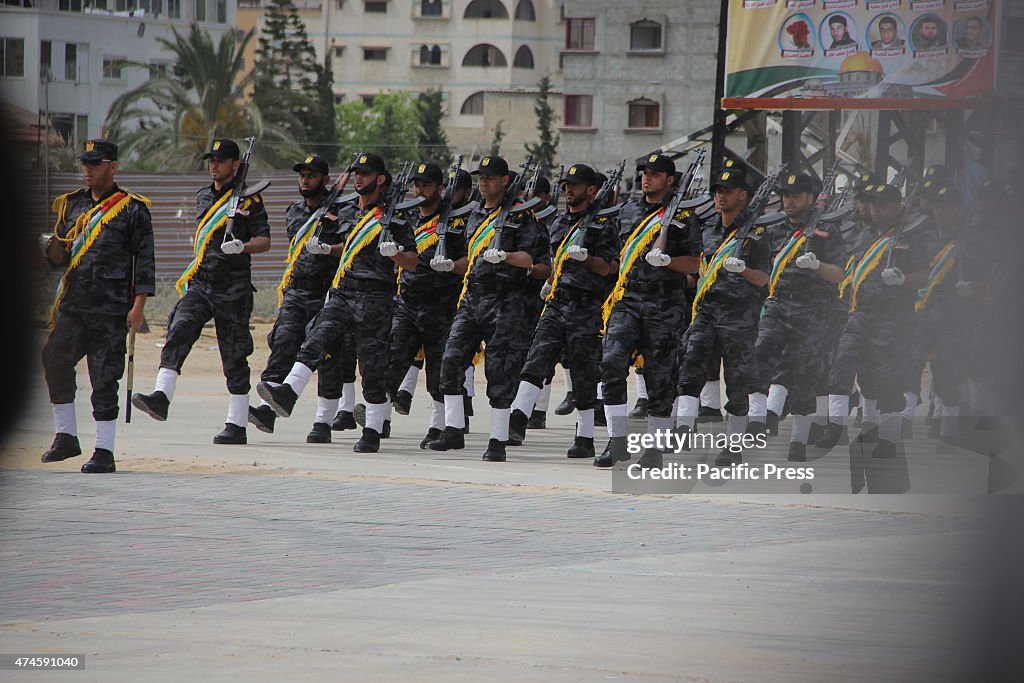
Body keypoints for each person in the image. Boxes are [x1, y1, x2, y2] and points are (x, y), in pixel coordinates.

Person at [256, 153, 417, 453]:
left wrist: (394, 253)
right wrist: (329, 249)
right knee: (316, 338)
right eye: (356, 173)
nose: (359, 178)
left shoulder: (396, 216)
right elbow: (348, 246)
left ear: (380, 179)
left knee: (371, 367)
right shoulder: (346, 212)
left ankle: (371, 429)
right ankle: (289, 391)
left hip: (375, 298)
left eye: (366, 174)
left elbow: (412, 262)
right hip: (344, 292)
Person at [132, 138, 270, 444]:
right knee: (179, 328)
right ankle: (161, 396)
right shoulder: (203, 197)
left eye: (220, 161)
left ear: (236, 165)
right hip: (201, 282)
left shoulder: (250, 200)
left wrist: (242, 247)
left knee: (234, 354)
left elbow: (265, 241)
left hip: (233, 288)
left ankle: (236, 424)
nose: (214, 165)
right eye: (212, 160)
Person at [41, 138, 155, 473]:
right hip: (75, 305)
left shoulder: (133, 208)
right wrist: (51, 250)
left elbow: (145, 262)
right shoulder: (72, 205)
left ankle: (104, 451)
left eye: (95, 163)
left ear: (112, 166)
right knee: (54, 358)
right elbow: (60, 257)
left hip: (112, 308)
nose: (87, 169)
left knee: (105, 378)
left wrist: (139, 307)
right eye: (85, 163)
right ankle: (66, 436)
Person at [428, 155, 546, 462]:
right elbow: (475, 257)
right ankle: (453, 429)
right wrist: (451, 265)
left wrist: (505, 255)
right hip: (472, 298)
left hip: (505, 301)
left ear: (505, 181)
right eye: (481, 177)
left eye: (490, 178)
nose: (483, 182)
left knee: (499, 371)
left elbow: (530, 260)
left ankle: (498, 440)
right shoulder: (476, 213)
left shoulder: (521, 217)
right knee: (451, 359)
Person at [593, 153, 702, 469]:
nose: (646, 178)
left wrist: (668, 261)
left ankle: (654, 449)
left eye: (654, 174)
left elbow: (696, 262)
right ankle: (617, 442)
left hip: (664, 304)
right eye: (644, 173)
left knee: (659, 377)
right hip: (628, 301)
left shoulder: (684, 215)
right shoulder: (629, 210)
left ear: (670, 180)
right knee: (611, 364)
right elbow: (618, 253)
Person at [507, 163, 620, 458]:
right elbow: (548, 259)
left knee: (584, 375)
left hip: (587, 306)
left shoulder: (604, 225)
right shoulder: (559, 222)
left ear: (591, 191)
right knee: (537, 358)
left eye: (576, 185)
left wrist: (588, 259)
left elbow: (608, 267)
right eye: (566, 185)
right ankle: (518, 415)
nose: (568, 189)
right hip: (557, 302)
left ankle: (584, 438)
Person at [816, 184, 934, 460]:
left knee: (887, 380)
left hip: (893, 320)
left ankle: (889, 438)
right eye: (871, 204)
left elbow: (925, 274)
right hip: (860, 315)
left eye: (881, 204)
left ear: (897, 206)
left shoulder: (911, 237)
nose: (875, 210)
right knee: (841, 364)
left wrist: (904, 280)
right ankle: (835, 425)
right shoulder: (864, 235)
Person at [247, 155, 349, 443]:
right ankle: (268, 408)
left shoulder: (343, 209)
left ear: (326, 180)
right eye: (302, 175)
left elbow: (352, 245)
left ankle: (323, 422)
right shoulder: (294, 212)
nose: (305, 180)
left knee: (326, 356)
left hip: (327, 293)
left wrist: (330, 242)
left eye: (312, 175)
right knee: (283, 342)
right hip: (297, 291)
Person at [674, 168, 771, 467]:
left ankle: (733, 445)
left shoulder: (758, 232)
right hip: (707, 310)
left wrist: (743, 270)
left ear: (743, 195)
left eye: (727, 191)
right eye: (717, 190)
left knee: (737, 380)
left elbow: (764, 279)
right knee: (690, 361)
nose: (719, 196)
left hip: (739, 315)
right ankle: (683, 427)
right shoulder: (708, 229)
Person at [748, 173, 847, 462]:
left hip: (813, 310)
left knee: (804, 376)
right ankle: (757, 417)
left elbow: (840, 274)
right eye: (785, 195)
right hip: (779, 304)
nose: (788, 200)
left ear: (810, 198)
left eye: (795, 195)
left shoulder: (828, 230)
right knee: (760, 351)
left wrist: (817, 266)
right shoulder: (773, 227)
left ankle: (799, 440)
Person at [385, 163, 471, 449]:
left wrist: (451, 266)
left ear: (440, 189)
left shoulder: (456, 221)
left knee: (439, 370)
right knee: (392, 358)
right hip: (407, 302)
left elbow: (469, 261)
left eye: (425, 185)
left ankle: (439, 427)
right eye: (416, 185)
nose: (418, 190)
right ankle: (376, 421)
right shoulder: (406, 218)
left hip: (441, 305)